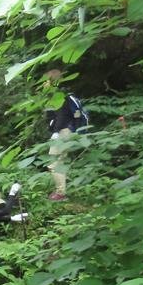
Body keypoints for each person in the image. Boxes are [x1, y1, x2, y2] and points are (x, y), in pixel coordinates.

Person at [43, 69, 89, 201]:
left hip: (63, 131)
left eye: (46, 81)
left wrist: (57, 132)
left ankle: (61, 193)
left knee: (55, 163)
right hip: (65, 131)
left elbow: (62, 116)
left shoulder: (60, 96)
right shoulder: (60, 95)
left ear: (52, 82)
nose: (43, 84)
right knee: (59, 161)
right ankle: (62, 189)